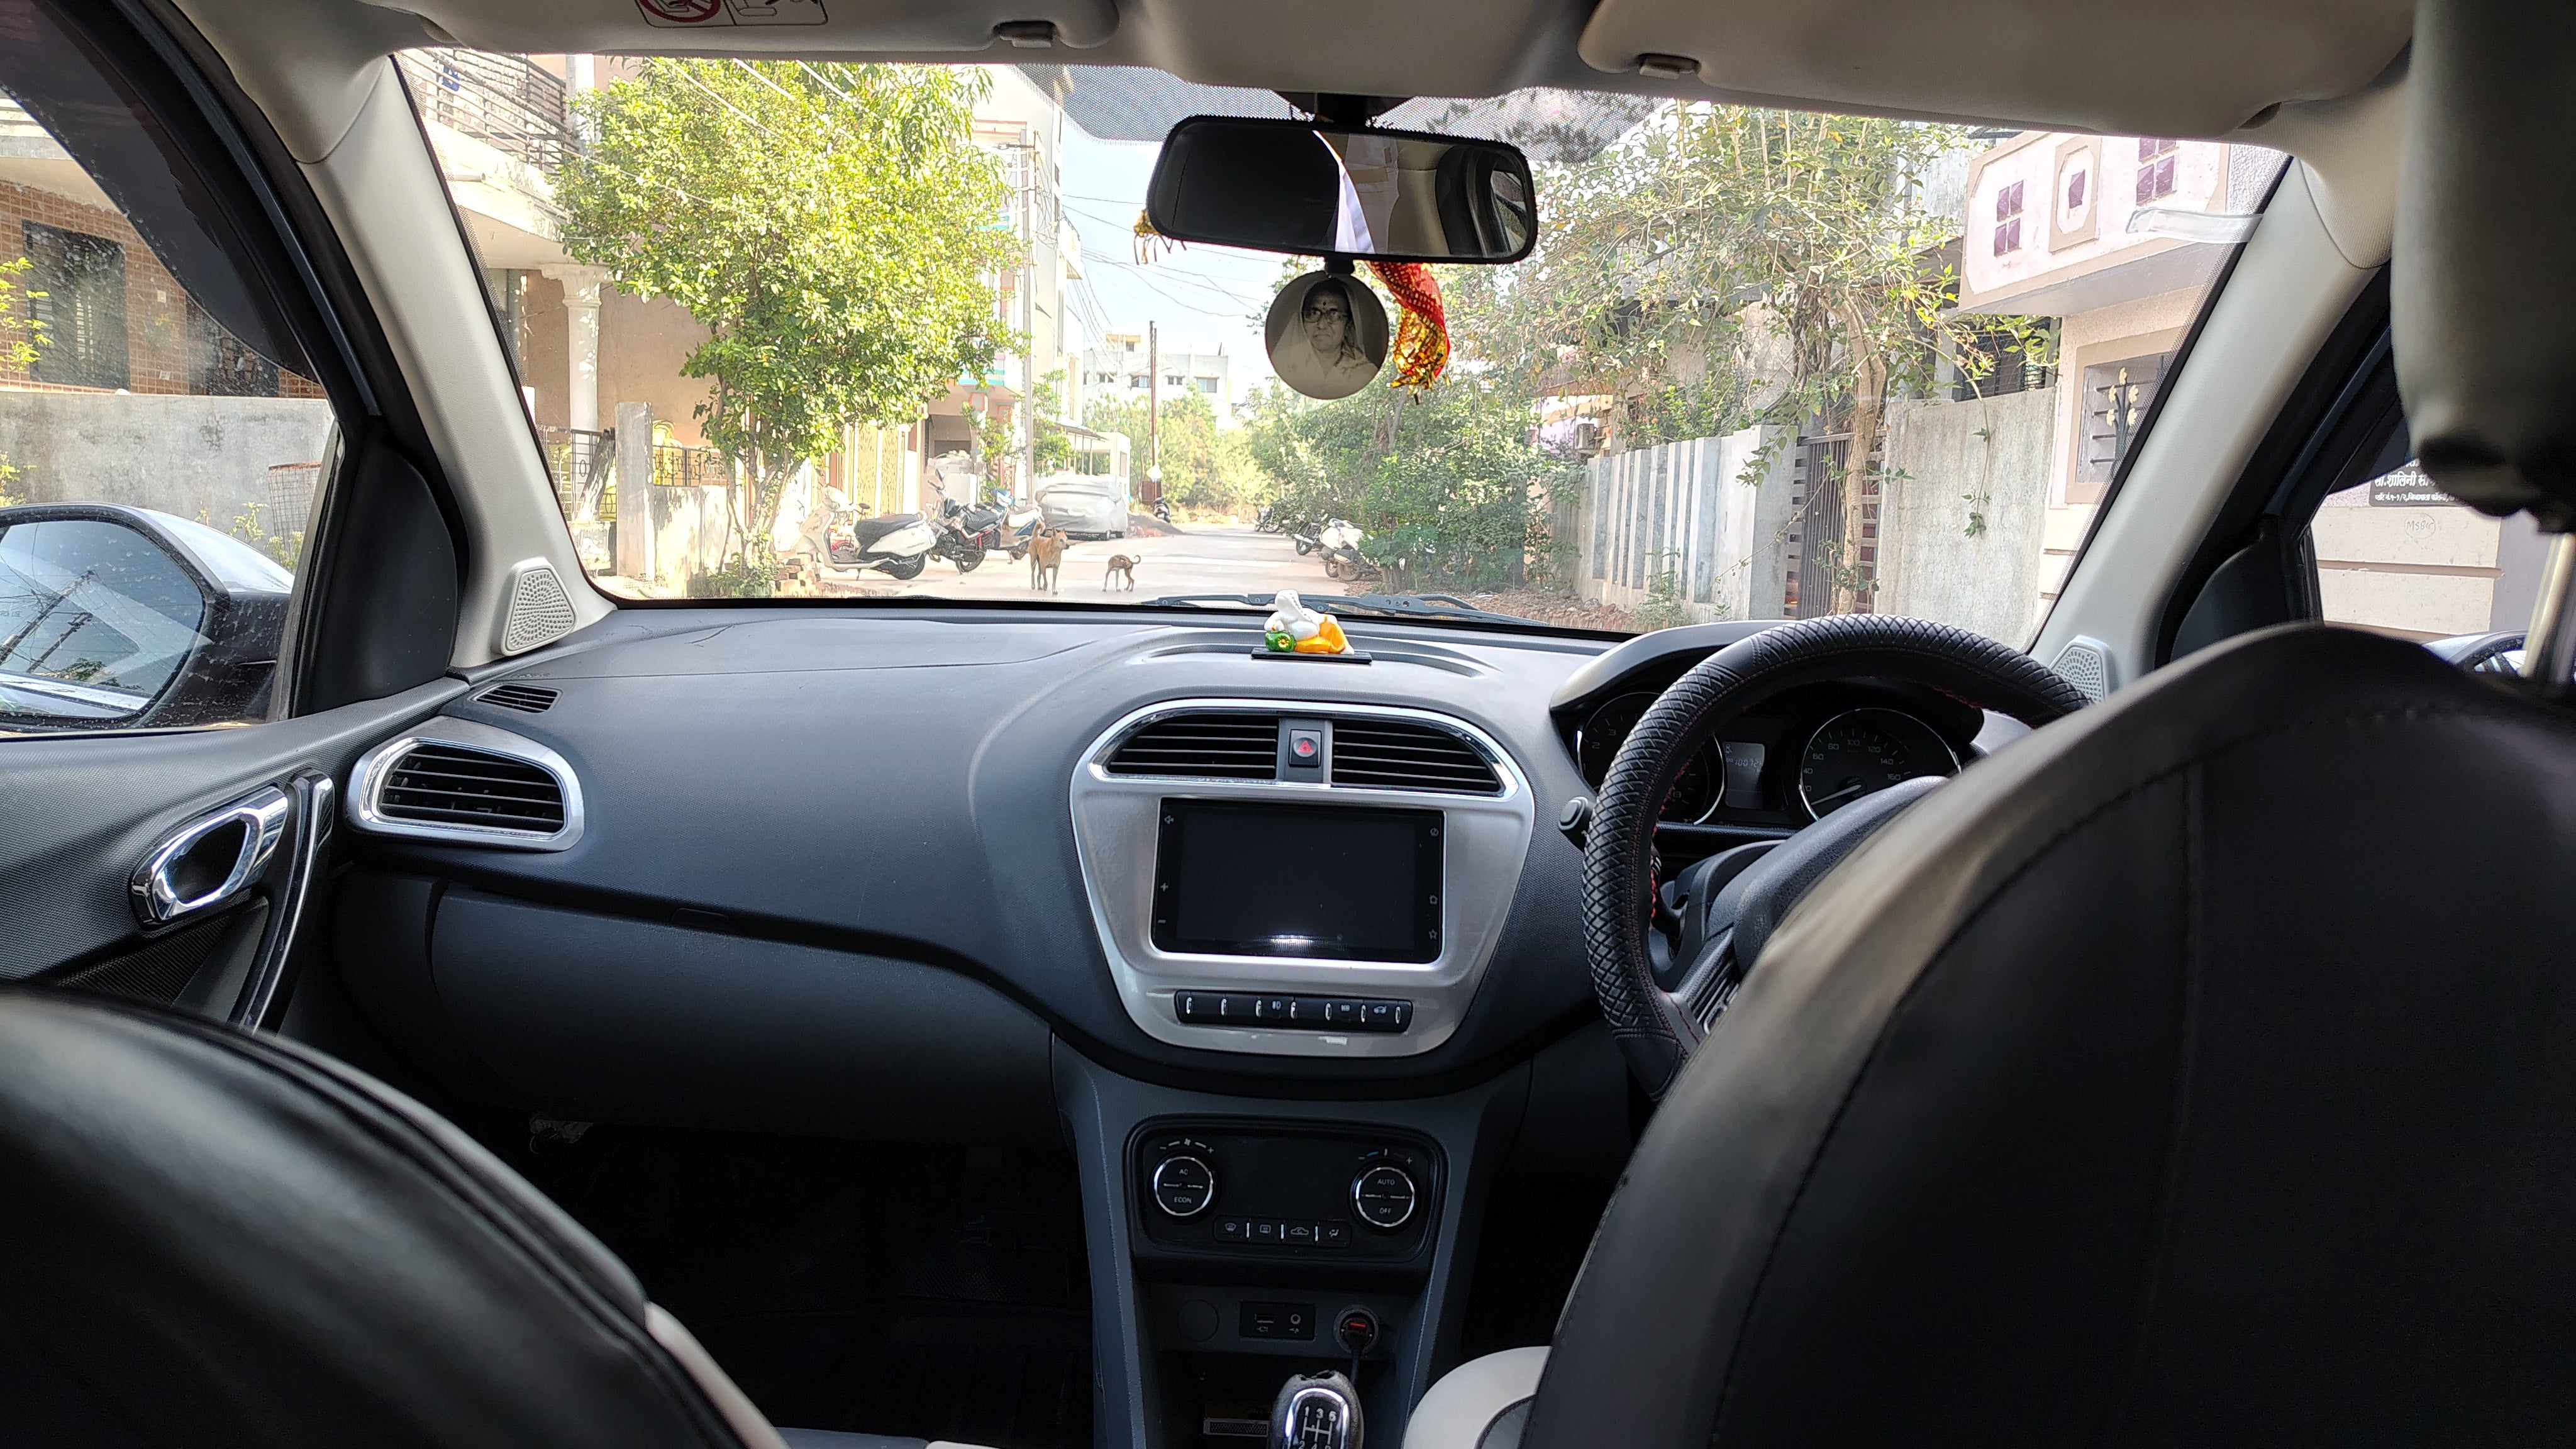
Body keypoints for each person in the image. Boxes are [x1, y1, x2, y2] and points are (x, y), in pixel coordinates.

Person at [1270, 275, 1380, 400]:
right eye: (1313, 314)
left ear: (1348, 324)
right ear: (1302, 320)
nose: (1322, 325)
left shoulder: (1364, 371)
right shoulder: (1283, 361)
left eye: (1333, 314)